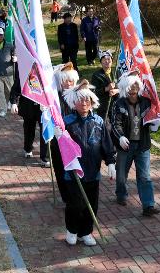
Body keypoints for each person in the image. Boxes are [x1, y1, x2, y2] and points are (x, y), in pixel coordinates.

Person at [54, 80, 116, 246]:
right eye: (81, 99)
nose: (84, 103)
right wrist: (58, 135)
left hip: (93, 171)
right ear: (74, 102)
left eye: (87, 99)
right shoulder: (66, 122)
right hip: (73, 172)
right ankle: (72, 230)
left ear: (92, 101)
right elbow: (58, 150)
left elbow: (106, 144)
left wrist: (110, 162)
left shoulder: (99, 121)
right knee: (75, 204)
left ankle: (86, 232)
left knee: (91, 203)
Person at [111, 71, 160, 217]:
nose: (133, 92)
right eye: (130, 90)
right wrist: (120, 137)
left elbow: (151, 118)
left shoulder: (146, 102)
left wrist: (155, 123)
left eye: (135, 89)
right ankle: (121, 193)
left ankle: (148, 205)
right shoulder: (118, 103)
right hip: (125, 146)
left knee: (144, 176)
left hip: (142, 145)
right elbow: (115, 123)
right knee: (121, 175)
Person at [51, 62, 79, 202]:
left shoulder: (79, 97)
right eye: (66, 81)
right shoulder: (55, 97)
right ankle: (66, 196)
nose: (69, 83)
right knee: (60, 169)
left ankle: (75, 193)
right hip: (59, 139)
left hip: (76, 139)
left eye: (71, 81)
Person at [9, 76, 50, 168]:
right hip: (28, 106)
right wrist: (14, 102)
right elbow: (16, 88)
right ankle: (27, 148)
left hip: (43, 108)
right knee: (28, 129)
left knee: (45, 131)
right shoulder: (24, 72)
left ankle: (45, 157)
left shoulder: (45, 72)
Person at [91, 50, 119, 124]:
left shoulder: (117, 72)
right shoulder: (96, 75)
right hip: (104, 107)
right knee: (106, 128)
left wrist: (116, 91)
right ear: (101, 62)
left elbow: (124, 88)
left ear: (112, 60)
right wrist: (106, 89)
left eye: (109, 59)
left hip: (117, 105)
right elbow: (94, 92)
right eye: (104, 59)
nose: (107, 61)